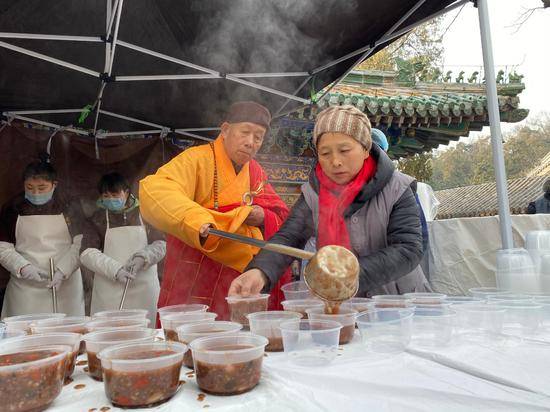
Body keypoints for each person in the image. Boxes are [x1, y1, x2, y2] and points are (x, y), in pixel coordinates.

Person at [230, 105, 429, 297]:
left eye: (344, 150)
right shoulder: (313, 194)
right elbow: (288, 237)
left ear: (366, 148)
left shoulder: (397, 188)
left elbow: (408, 249)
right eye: (325, 153)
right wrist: (260, 271)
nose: (335, 161)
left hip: (398, 305)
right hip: (342, 303)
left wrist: (350, 274)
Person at [139, 101, 291, 319]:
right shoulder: (197, 159)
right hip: (196, 274)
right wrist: (200, 222)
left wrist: (261, 216)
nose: (251, 143)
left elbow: (280, 215)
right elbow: (154, 190)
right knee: (193, 338)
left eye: (258, 137)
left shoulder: (256, 171)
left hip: (242, 279)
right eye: (245, 132)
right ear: (226, 130)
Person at [0, 158, 86, 316]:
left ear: (54, 185)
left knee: (67, 332)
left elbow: (81, 243)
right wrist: (23, 267)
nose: (35, 193)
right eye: (30, 188)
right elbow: (3, 247)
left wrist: (63, 270)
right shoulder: (13, 207)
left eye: (42, 188)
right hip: (25, 287)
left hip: (65, 284)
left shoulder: (68, 205)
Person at [80, 173, 166, 323]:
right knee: (111, 333)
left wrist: (144, 257)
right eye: (106, 196)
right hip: (109, 290)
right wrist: (116, 269)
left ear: (126, 193)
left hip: (144, 288)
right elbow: (86, 253)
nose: (111, 199)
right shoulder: (97, 219)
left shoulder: (145, 213)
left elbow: (161, 244)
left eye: (115, 194)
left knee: (148, 332)